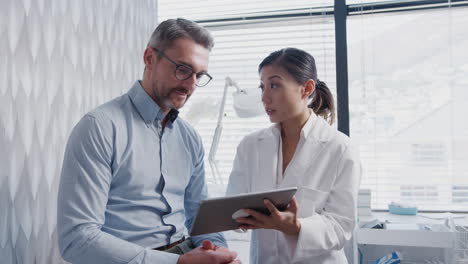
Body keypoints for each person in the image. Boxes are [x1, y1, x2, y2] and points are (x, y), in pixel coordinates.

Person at [57, 18, 240, 264]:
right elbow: (77, 240)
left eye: (199, 75)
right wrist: (176, 263)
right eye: (183, 69)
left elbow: (199, 217)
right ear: (149, 58)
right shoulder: (99, 128)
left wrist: (220, 253)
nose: (191, 84)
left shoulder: (190, 138)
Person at [226, 47, 361, 263]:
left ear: (306, 88)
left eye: (274, 85)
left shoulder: (340, 148)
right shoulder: (250, 146)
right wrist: (234, 219)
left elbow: (341, 226)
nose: (264, 97)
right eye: (262, 87)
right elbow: (233, 209)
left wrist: (297, 227)